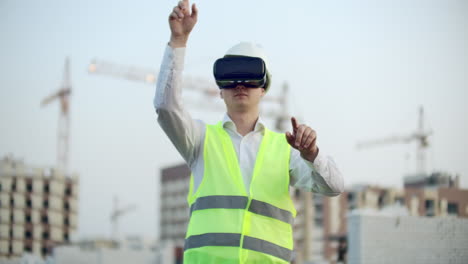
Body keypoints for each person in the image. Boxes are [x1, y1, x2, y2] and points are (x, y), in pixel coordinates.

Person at [154, 1, 344, 263]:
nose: (240, 84)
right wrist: (178, 41)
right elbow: (166, 107)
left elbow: (334, 187)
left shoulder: (287, 149)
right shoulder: (199, 139)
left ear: (264, 88)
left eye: (250, 78)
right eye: (231, 78)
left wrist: (313, 155)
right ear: (220, 90)